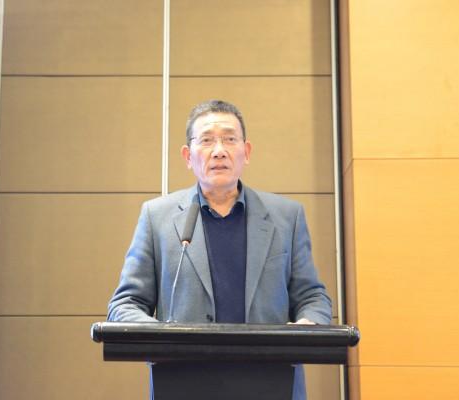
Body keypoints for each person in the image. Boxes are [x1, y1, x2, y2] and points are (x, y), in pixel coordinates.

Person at [108, 99, 332, 399]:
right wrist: (161, 338)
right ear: (188, 156)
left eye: (229, 139)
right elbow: (125, 304)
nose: (219, 151)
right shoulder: (157, 217)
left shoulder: (286, 217)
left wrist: (306, 327)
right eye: (206, 140)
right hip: (183, 383)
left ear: (246, 152)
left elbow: (313, 297)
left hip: (270, 382)